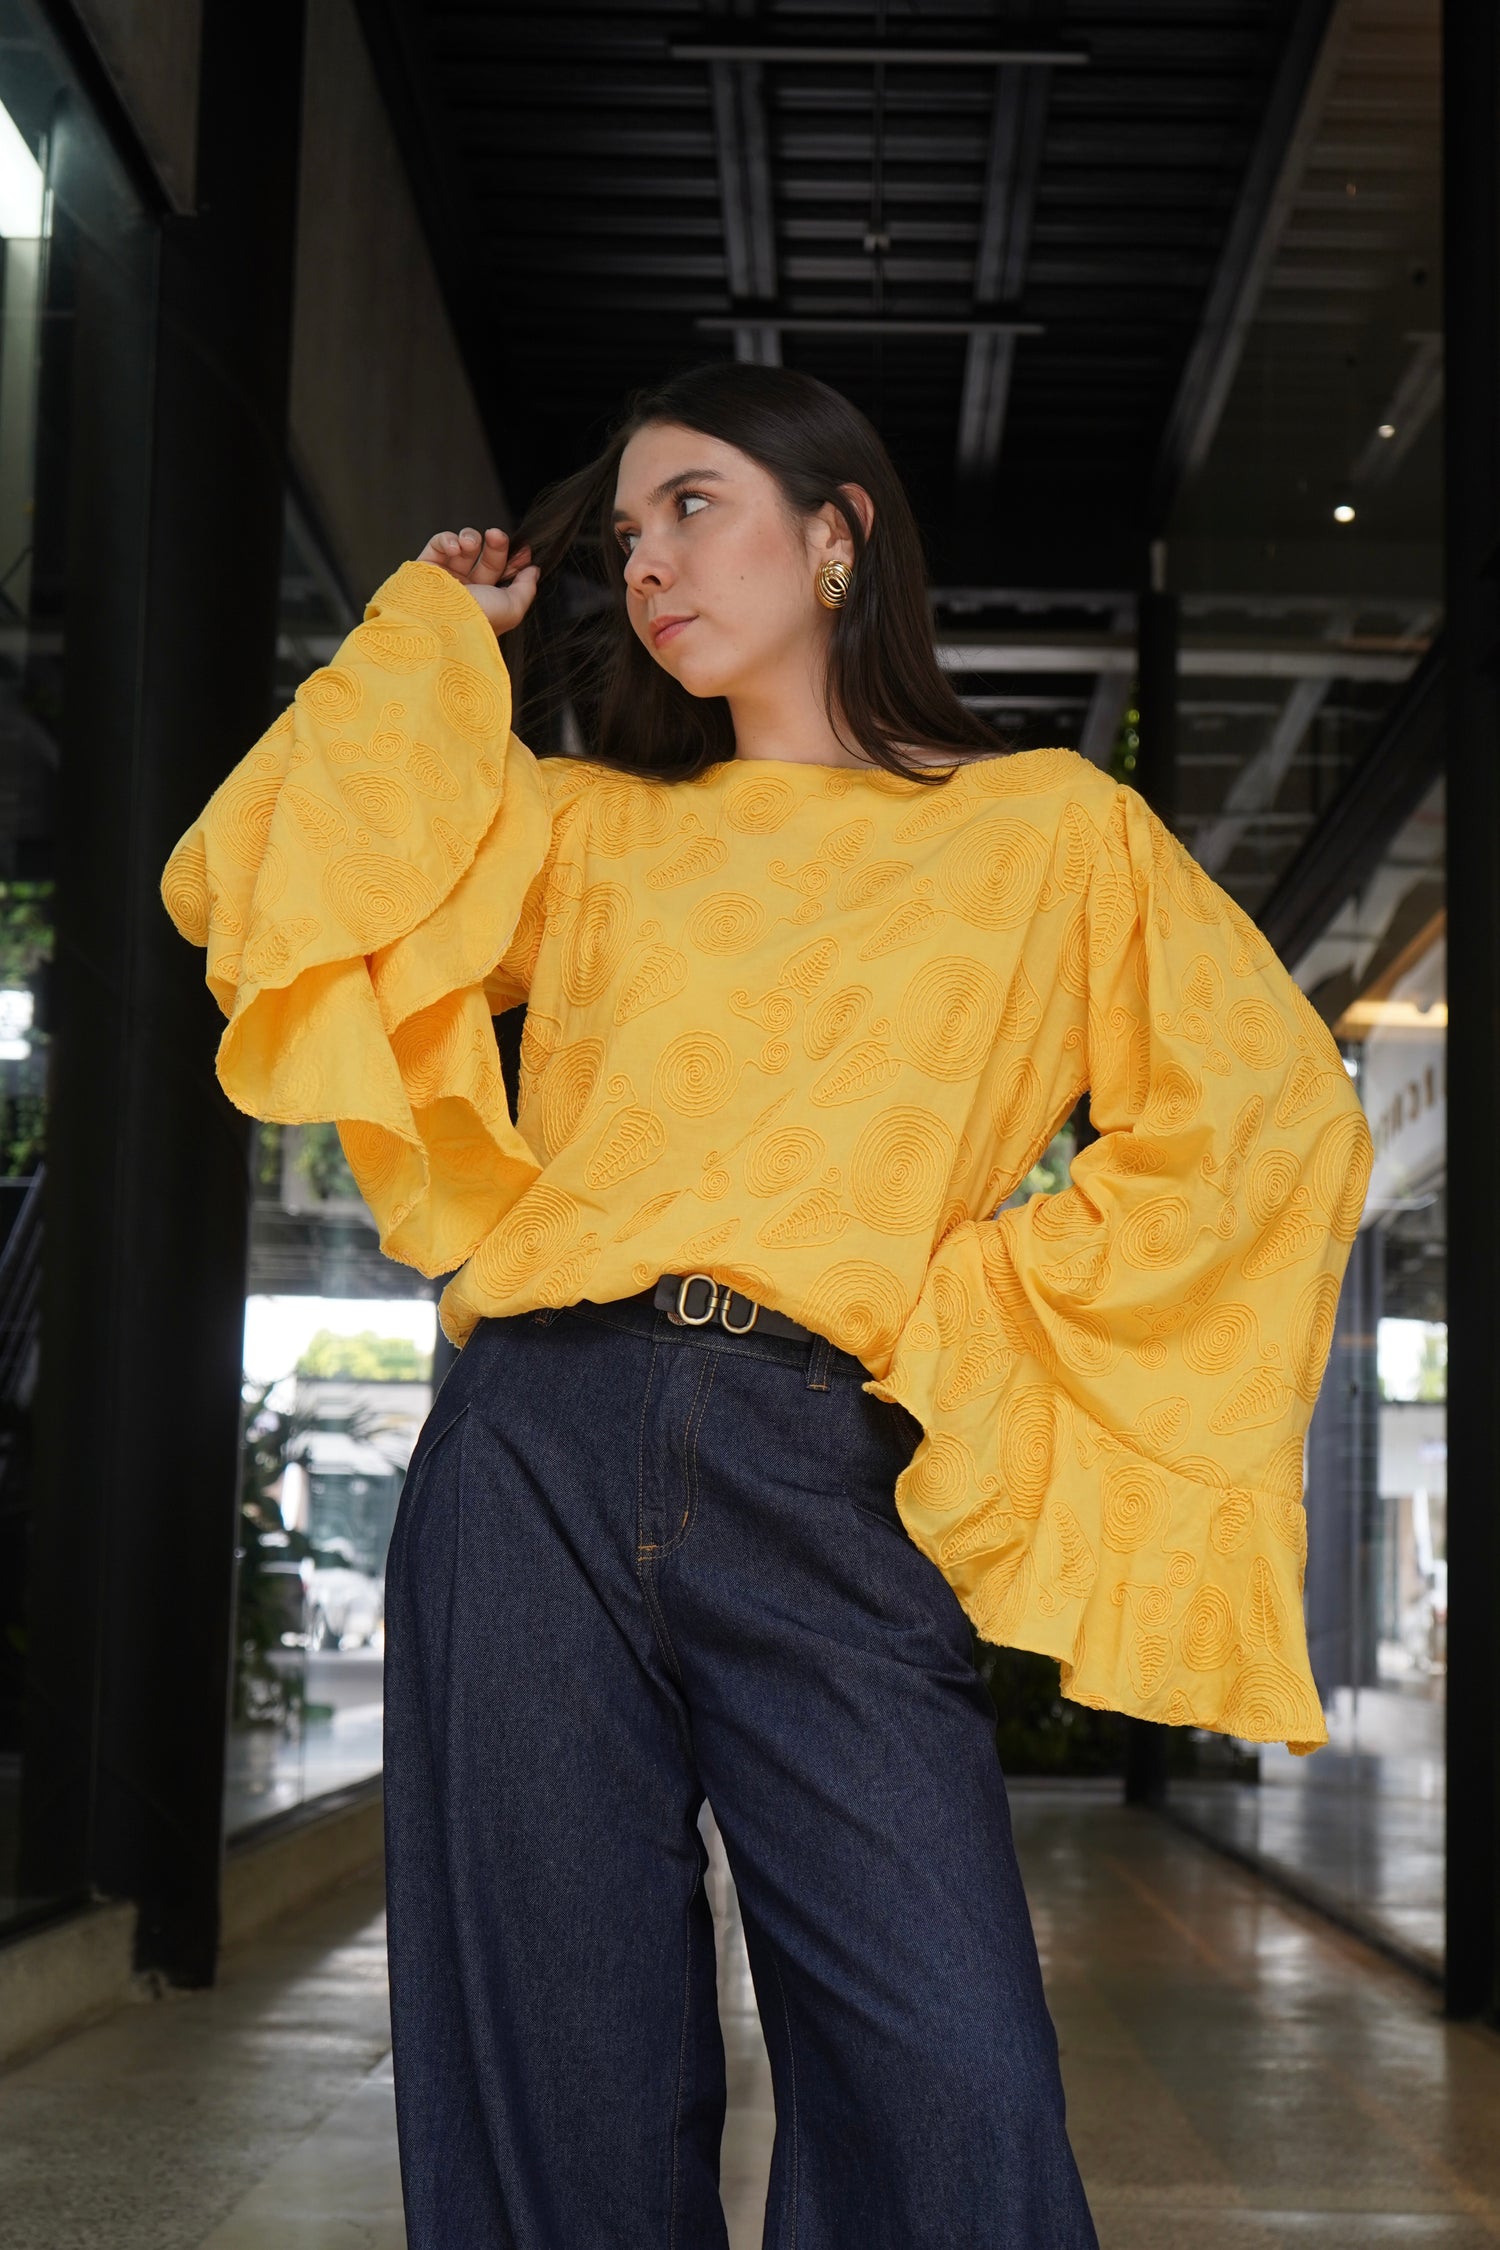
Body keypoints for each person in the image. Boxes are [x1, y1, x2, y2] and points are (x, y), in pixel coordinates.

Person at [162, 363, 1371, 2248]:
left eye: (694, 506)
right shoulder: (587, 829)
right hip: (533, 1449)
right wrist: (435, 644)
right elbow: (270, 884)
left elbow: (1273, 1118)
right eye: (624, 535)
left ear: (836, 535)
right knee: (554, 2067)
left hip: (826, 1461)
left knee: (953, 2074)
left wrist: (970, 1309)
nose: (646, 561)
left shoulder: (1048, 833)